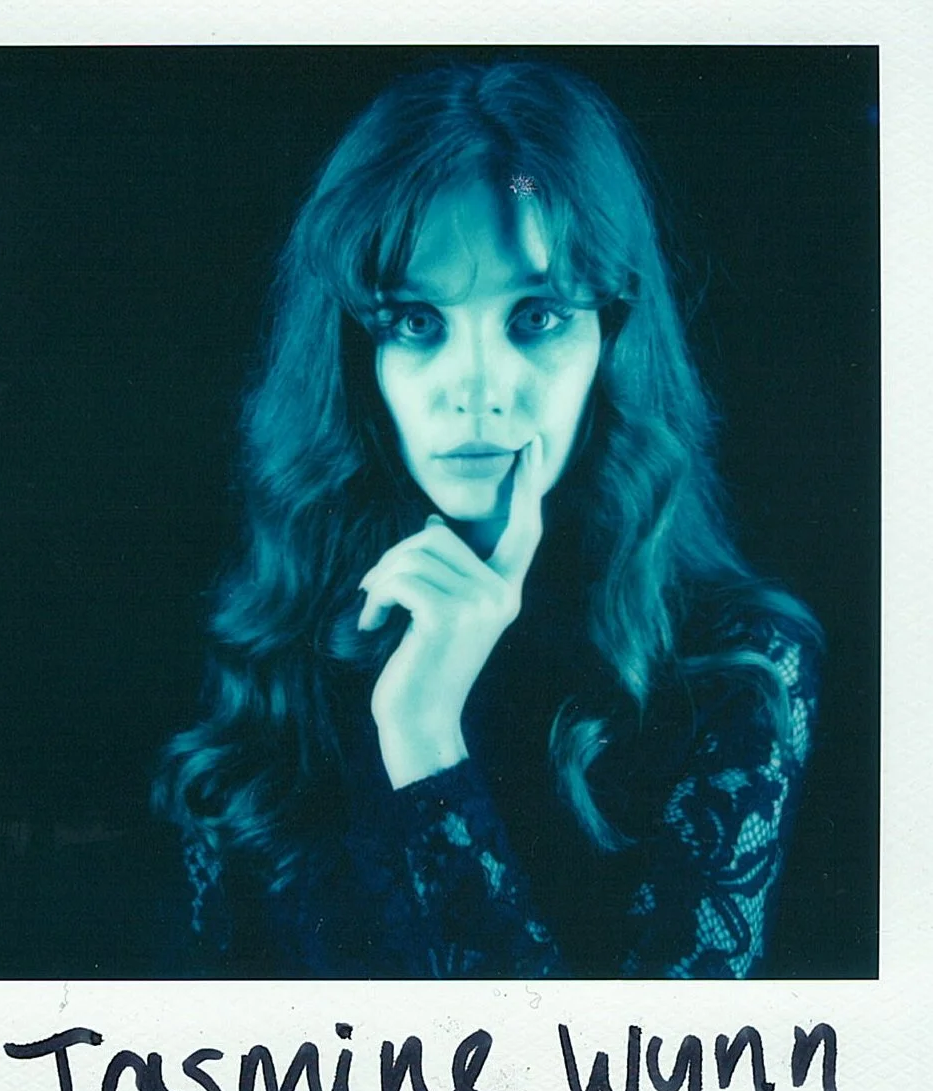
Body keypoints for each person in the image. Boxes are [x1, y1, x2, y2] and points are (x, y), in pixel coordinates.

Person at [153, 59, 821, 979]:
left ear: (611, 340)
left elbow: (626, 1073)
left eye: (537, 316)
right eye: (416, 322)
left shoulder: (739, 666)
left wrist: (425, 733)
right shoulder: (280, 644)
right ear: (357, 358)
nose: (475, 389)